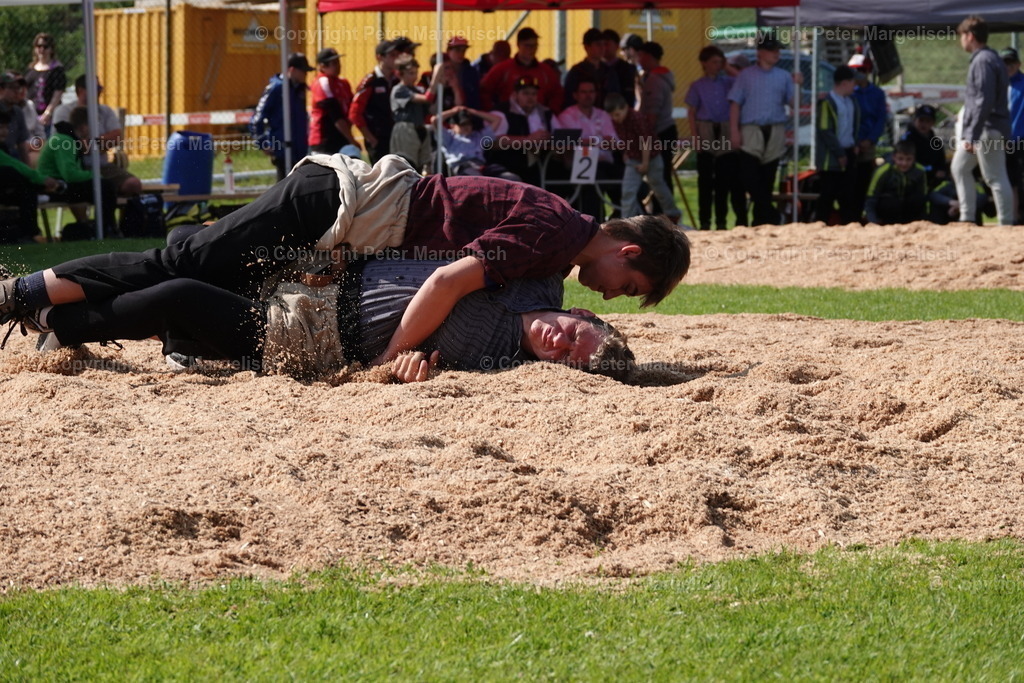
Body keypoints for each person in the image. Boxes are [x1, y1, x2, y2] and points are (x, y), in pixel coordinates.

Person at [1, 154, 691, 368]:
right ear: (627, 251)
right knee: (179, 258)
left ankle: (53, 315)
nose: (609, 295)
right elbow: (449, 280)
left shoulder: (552, 249)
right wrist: (391, 357)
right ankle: (25, 292)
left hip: (343, 221)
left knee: (188, 281)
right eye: (626, 285)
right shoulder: (554, 235)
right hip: (335, 205)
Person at [9, 255, 635, 384]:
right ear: (580, 312)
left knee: (179, 294)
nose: (559, 342)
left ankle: (54, 322)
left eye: (566, 357)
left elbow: (412, 376)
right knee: (185, 256)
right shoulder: (535, 280)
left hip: (306, 339)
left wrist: (403, 372)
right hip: (320, 278)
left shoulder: (501, 362)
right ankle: (48, 312)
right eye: (576, 334)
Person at [952, 15, 1012, 225]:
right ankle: (967, 218)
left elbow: (982, 101)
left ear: (970, 36)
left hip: (987, 129)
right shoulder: (990, 58)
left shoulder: (982, 60)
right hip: (989, 128)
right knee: (959, 167)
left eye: (962, 36)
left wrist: (972, 135)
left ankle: (1005, 223)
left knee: (994, 177)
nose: (961, 41)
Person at [728, 32, 794, 226]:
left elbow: (793, 102)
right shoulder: (746, 76)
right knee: (748, 175)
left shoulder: (784, 76)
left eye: (778, 49)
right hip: (751, 128)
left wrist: (797, 85)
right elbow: (734, 104)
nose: (777, 53)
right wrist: (734, 131)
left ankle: (762, 220)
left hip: (775, 128)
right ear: (760, 52)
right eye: (772, 50)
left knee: (768, 177)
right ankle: (771, 214)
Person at [53, 74, 143, 200]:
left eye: (100, 88)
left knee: (133, 185)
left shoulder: (105, 111)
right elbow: (65, 144)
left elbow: (117, 137)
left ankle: (123, 219)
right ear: (80, 90)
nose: (100, 91)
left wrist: (90, 144)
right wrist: (102, 145)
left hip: (103, 166)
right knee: (101, 189)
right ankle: (87, 220)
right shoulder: (63, 111)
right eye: (96, 88)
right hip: (76, 167)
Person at [36, 106, 118, 233]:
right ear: (84, 127)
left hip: (60, 185)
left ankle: (102, 227)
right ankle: (106, 228)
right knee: (105, 187)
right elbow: (70, 175)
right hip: (53, 187)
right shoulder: (63, 141)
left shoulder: (67, 139)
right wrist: (95, 175)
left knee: (104, 187)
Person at [686, 45, 739, 230]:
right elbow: (691, 112)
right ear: (704, 64)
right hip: (706, 129)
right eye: (714, 62)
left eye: (720, 62)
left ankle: (722, 221)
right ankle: (705, 221)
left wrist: (727, 67)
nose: (718, 66)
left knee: (724, 180)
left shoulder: (728, 82)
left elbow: (742, 80)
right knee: (705, 181)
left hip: (724, 128)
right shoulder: (697, 85)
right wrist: (696, 138)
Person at [605, 93, 679, 223]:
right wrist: (626, 153)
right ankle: (627, 222)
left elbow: (646, 142)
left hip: (651, 156)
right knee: (628, 190)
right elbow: (625, 138)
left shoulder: (637, 118)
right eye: (612, 116)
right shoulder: (616, 121)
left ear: (625, 108)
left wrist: (645, 163)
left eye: (617, 114)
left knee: (658, 186)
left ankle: (673, 214)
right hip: (634, 158)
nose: (615, 118)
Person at [555, 76, 622, 220]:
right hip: (580, 164)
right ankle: (593, 222)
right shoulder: (566, 116)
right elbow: (566, 142)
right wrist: (599, 140)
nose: (588, 95)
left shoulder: (603, 115)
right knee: (596, 180)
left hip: (605, 163)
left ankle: (623, 218)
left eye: (591, 91)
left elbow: (615, 143)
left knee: (631, 181)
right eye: (584, 92)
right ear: (575, 95)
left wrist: (587, 141)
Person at [0, 109, 60, 244]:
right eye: (0, 127)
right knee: (15, 178)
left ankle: (28, 232)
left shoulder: (4, 147)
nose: (4, 131)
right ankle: (29, 233)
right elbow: (15, 165)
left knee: (24, 189)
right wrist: (41, 179)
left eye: (5, 127)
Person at [250, 53, 313, 182]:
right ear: (292, 70)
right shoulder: (276, 88)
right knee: (285, 187)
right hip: (283, 149)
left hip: (300, 148)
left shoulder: (300, 88)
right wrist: (262, 142)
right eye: (303, 71)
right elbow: (258, 118)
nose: (306, 75)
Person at [815, 65, 861, 225]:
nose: (854, 86)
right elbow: (824, 129)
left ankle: (848, 225)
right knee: (828, 194)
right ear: (844, 83)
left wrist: (853, 144)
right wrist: (839, 152)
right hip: (832, 156)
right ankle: (820, 224)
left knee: (848, 194)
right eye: (852, 82)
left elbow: (853, 125)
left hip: (848, 151)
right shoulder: (827, 102)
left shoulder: (851, 101)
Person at [490, 76, 554, 185]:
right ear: (515, 95)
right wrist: (527, 139)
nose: (530, 97)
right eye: (525, 93)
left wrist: (549, 138)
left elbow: (561, 134)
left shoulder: (545, 112)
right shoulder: (502, 112)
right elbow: (491, 142)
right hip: (507, 165)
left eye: (534, 94)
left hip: (541, 164)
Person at [480, 28, 562, 112]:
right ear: (518, 45)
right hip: (509, 119)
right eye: (527, 46)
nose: (532, 49)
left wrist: (551, 114)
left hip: (537, 119)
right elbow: (484, 90)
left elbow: (557, 93)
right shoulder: (503, 69)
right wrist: (492, 113)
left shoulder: (545, 72)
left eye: (535, 45)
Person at [636, 42, 679, 199]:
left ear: (648, 56)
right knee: (661, 173)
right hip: (664, 130)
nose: (639, 60)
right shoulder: (658, 76)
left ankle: (664, 214)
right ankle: (663, 212)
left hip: (658, 132)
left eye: (640, 56)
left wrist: (645, 135)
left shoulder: (654, 80)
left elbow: (652, 112)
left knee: (659, 174)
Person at [848, 52, 888, 222]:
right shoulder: (849, 92)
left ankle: (864, 215)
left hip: (868, 144)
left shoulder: (877, 93)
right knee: (850, 182)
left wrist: (870, 140)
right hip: (851, 144)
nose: (858, 74)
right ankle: (850, 217)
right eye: (855, 70)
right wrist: (855, 141)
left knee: (865, 181)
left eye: (862, 70)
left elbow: (880, 119)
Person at [350, 40, 400, 163]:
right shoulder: (370, 82)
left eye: (396, 55)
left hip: (396, 137)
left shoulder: (397, 80)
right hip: (378, 139)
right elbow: (355, 113)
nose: (395, 58)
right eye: (391, 55)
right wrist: (370, 138)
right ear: (380, 57)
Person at [439, 107, 519, 181]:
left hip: (481, 166)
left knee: (512, 178)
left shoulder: (479, 136)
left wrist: (472, 111)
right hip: (462, 167)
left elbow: (497, 120)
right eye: (462, 124)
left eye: (469, 123)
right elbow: (435, 120)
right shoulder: (449, 137)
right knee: (478, 179)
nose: (466, 127)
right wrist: (454, 111)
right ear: (453, 126)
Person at [307, 48, 358, 159]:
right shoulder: (323, 81)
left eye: (338, 62)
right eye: (333, 63)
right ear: (322, 66)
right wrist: (351, 139)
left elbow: (352, 109)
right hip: (324, 139)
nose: (338, 66)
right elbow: (335, 114)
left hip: (341, 136)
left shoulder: (343, 83)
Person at [864, 140, 927, 225]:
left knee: (916, 199)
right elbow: (871, 198)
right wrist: (872, 221)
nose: (904, 163)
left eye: (908, 159)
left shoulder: (920, 171)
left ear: (914, 159)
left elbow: (923, 197)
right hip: (886, 214)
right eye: (900, 159)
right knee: (889, 202)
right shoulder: (882, 171)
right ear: (894, 157)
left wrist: (924, 220)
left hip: (909, 216)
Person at [390, 56, 434, 172]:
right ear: (400, 74)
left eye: (415, 73)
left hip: (420, 127)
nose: (414, 76)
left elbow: (431, 107)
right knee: (406, 165)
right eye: (410, 73)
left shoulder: (417, 89)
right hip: (405, 129)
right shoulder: (399, 90)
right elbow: (426, 98)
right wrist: (436, 78)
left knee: (423, 166)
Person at [563, 28, 620, 111]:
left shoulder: (609, 71)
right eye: (598, 44)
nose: (602, 48)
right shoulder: (577, 71)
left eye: (603, 44)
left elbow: (616, 97)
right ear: (587, 47)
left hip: (606, 117)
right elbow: (569, 99)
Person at [23, 32, 66, 134]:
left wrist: (48, 113)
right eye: (39, 46)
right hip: (31, 114)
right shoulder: (31, 68)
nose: (41, 49)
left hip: (49, 117)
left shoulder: (57, 69)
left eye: (45, 47)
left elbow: (57, 94)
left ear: (51, 49)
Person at [900, 105, 948, 191]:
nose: (924, 124)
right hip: (913, 178)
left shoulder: (936, 141)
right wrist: (932, 171)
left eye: (928, 121)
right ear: (915, 120)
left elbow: (941, 161)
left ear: (933, 123)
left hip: (934, 180)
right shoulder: (907, 139)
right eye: (921, 120)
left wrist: (941, 170)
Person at [1002, 47, 1024, 224]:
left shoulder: (1022, 84)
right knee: (1010, 178)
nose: (1008, 66)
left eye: (1011, 62)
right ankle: (1013, 215)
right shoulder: (996, 84)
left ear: (1018, 64)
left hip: (1020, 139)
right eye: (1004, 63)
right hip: (1001, 140)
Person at [602, 29, 637, 110]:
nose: (604, 48)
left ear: (617, 46)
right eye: (601, 44)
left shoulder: (627, 69)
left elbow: (629, 96)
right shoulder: (595, 68)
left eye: (607, 44)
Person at [443, 36, 481, 110]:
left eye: (463, 51)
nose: (461, 54)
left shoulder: (471, 72)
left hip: (468, 111)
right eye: (457, 50)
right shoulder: (442, 69)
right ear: (448, 51)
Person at [0, 73, 30, 163]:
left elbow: (22, 145)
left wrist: (28, 172)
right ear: (1, 90)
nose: (17, 91)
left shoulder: (18, 112)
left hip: (10, 153)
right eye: (12, 88)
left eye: (18, 88)